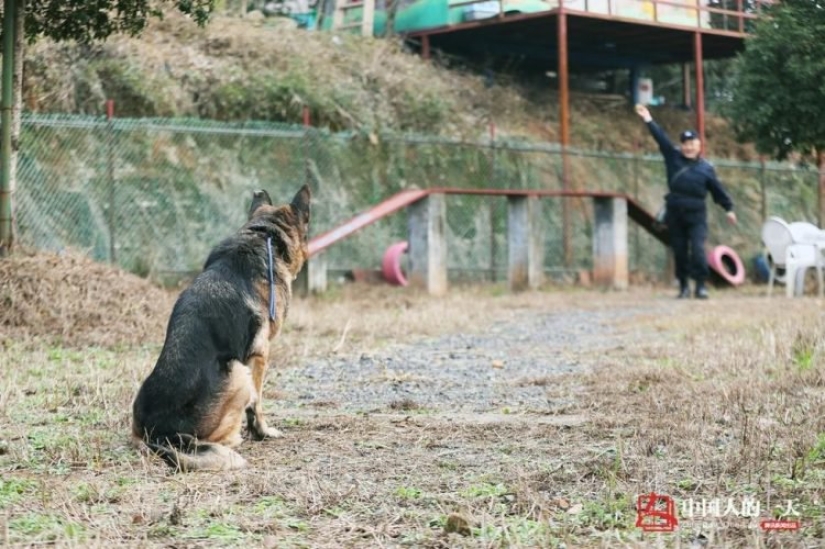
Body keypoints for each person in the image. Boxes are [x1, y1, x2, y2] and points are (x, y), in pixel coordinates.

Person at [635, 104, 737, 299]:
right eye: (686, 144)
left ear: (699, 146)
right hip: (675, 212)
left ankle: (700, 286)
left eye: (693, 144)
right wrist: (648, 119)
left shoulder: (706, 168)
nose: (689, 147)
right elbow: (661, 138)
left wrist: (729, 208)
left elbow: (717, 190)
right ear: (681, 145)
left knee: (698, 250)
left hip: (697, 214)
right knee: (680, 251)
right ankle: (683, 286)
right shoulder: (673, 157)